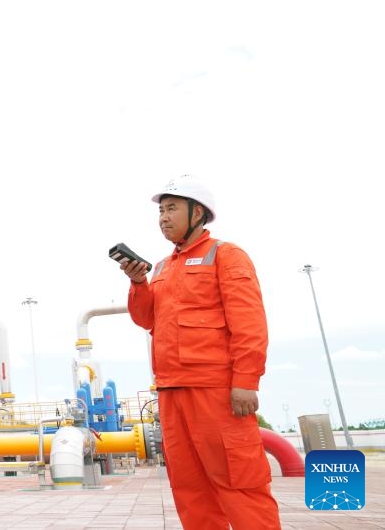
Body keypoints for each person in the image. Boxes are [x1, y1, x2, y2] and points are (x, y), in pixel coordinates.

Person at [119, 174, 281, 529]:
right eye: (160, 210)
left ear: (198, 213)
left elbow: (249, 321)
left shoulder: (227, 255)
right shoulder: (160, 267)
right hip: (172, 393)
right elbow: (147, 320)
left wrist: (246, 381)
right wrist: (138, 282)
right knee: (190, 488)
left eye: (172, 208)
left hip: (217, 392)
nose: (163, 217)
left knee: (240, 483)